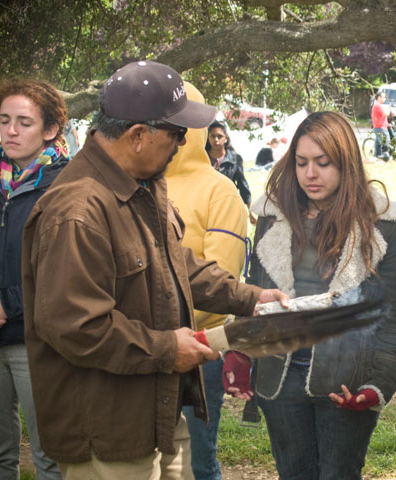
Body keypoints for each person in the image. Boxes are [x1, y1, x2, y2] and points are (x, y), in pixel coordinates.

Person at [20, 60, 288, 480]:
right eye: (177, 134)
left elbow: (175, 264)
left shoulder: (142, 183)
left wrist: (249, 298)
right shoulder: (78, 211)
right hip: (108, 431)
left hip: (157, 415)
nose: (184, 144)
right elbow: (74, 324)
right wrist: (167, 348)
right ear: (138, 135)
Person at [225, 111, 396, 479]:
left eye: (323, 163)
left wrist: (379, 385)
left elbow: (394, 319)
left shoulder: (386, 226)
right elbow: (256, 296)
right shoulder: (272, 218)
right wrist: (238, 349)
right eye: (301, 162)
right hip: (280, 379)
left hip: (346, 380)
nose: (311, 174)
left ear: (346, 163)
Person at [165, 81, 249, 480]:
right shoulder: (135, 185)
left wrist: (165, 330)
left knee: (197, 463)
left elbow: (221, 281)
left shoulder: (221, 190)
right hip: (141, 349)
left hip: (199, 349)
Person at [0, 78, 67, 480]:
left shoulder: (63, 183)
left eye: (24, 122)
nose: (11, 130)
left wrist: (9, 304)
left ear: (51, 129)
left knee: (49, 455)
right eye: (4, 120)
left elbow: (63, 267)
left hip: (37, 340)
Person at [205, 120, 257, 224]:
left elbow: (243, 186)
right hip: (205, 206)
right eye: (212, 136)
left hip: (227, 207)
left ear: (226, 139)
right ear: (208, 137)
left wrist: (251, 211)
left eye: (219, 136)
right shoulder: (202, 157)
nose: (216, 140)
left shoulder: (235, 159)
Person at [371, 91, 391, 161]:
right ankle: (384, 156)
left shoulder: (377, 105)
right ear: (379, 98)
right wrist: (389, 109)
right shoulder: (377, 105)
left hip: (378, 126)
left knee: (378, 143)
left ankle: (376, 156)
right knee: (385, 140)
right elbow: (385, 114)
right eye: (383, 97)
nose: (384, 99)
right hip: (380, 127)